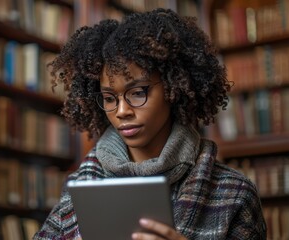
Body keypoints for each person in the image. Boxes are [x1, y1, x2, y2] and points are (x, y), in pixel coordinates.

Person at [33, 8, 266, 240]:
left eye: (137, 93)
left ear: (173, 88)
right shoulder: (79, 190)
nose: (122, 111)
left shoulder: (235, 193)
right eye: (109, 98)